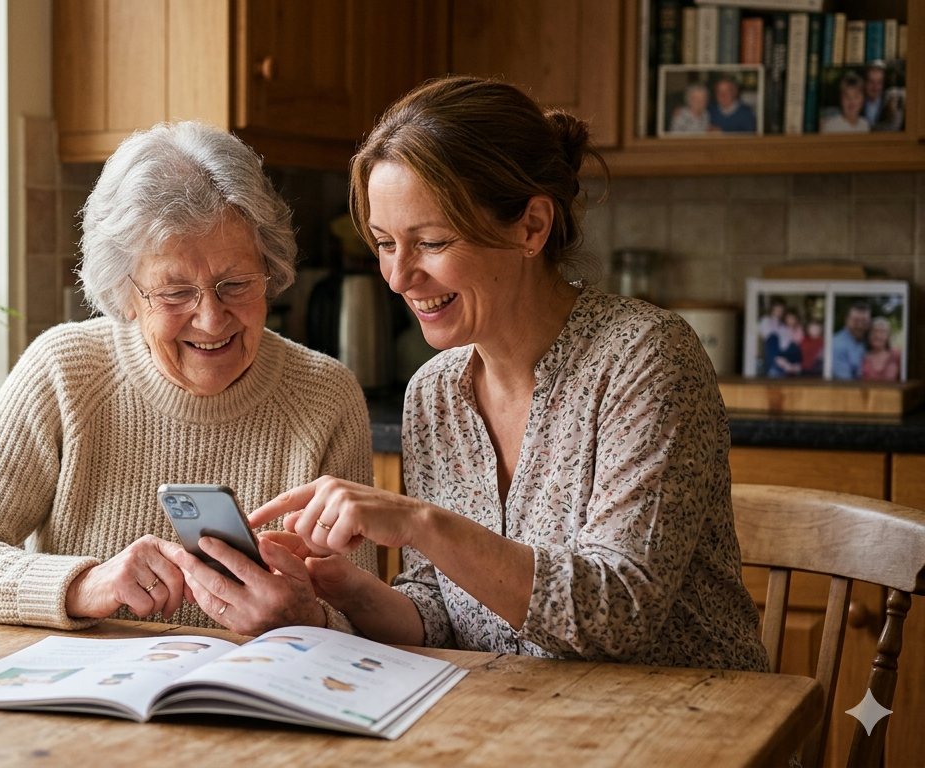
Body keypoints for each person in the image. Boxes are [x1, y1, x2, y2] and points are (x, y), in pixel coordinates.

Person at [244, 76, 768, 672]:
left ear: (531, 227)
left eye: (432, 242)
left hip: (692, 729)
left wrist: (422, 524)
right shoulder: (433, 394)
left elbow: (620, 615)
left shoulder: (646, 360)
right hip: (521, 723)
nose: (398, 278)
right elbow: (440, 615)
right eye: (386, 244)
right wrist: (337, 588)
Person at [0, 121, 377, 634]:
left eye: (235, 284)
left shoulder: (326, 397)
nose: (212, 319)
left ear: (270, 268)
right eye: (175, 293)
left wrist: (306, 619)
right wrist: (84, 584)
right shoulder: (67, 371)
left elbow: (366, 621)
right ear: (125, 295)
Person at [832, 302, 871, 379]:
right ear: (846, 321)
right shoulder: (836, 345)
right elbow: (847, 384)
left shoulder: (869, 340)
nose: (860, 325)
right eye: (856, 321)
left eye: (864, 321)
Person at [860, 317, 902, 381]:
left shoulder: (896, 355)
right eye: (874, 331)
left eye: (882, 332)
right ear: (868, 334)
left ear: (888, 335)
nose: (878, 335)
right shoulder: (861, 357)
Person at [765, 310, 803, 378]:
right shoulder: (778, 331)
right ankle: (784, 365)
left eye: (792, 318)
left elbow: (797, 342)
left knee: (794, 346)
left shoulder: (798, 329)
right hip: (780, 357)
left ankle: (792, 367)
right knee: (772, 338)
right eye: (788, 318)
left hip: (790, 355)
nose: (790, 320)